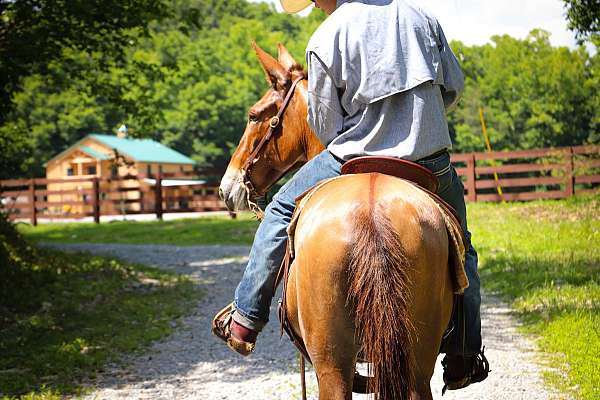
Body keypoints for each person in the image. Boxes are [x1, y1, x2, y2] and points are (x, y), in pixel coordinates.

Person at [213, 0, 489, 391]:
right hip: (427, 159)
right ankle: (463, 350)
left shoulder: (327, 34)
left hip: (352, 156)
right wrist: (414, 121)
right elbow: (452, 88)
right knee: (461, 247)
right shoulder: (422, 19)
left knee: (278, 211)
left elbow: (325, 124)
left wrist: (367, 131)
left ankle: (245, 317)